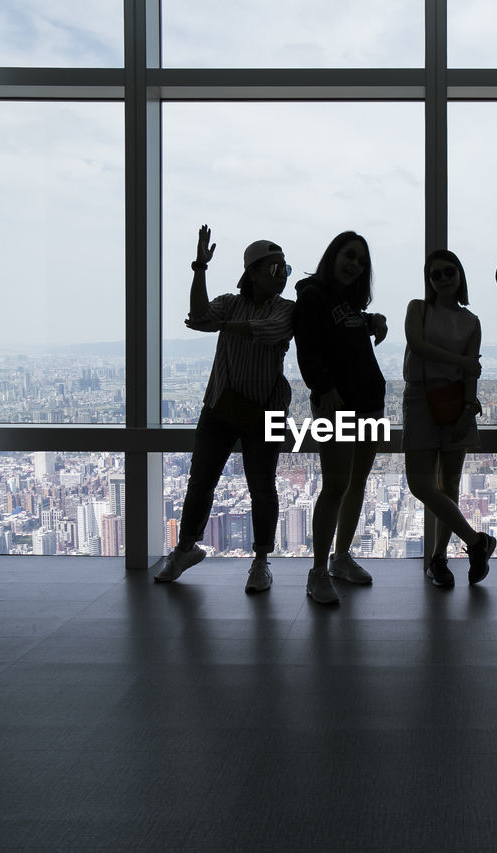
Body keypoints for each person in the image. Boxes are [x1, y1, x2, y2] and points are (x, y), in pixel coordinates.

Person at [155, 226, 294, 592]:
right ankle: (185, 548)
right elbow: (199, 314)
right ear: (252, 272)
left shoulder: (286, 309)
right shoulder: (230, 303)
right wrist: (199, 267)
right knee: (200, 482)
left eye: (286, 270)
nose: (282, 276)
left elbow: (267, 330)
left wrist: (220, 326)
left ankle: (261, 561)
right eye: (276, 269)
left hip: (264, 408)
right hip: (221, 404)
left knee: (262, 487)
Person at [293, 231, 390, 604]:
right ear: (333, 255)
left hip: (369, 401)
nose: (355, 264)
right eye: (350, 255)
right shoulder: (312, 296)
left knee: (357, 481)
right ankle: (317, 571)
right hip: (336, 405)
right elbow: (309, 350)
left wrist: (372, 321)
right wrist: (325, 389)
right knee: (335, 484)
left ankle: (341, 557)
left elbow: (344, 334)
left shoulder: (347, 301)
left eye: (361, 261)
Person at [402, 250, 497, 588]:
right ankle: (475, 542)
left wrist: (469, 408)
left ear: (460, 276)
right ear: (429, 280)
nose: (443, 278)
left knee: (450, 485)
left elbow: (470, 373)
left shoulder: (471, 321)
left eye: (449, 272)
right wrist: (463, 361)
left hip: (457, 401)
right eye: (436, 274)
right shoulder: (418, 308)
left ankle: (439, 558)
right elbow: (417, 344)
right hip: (419, 399)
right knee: (420, 483)